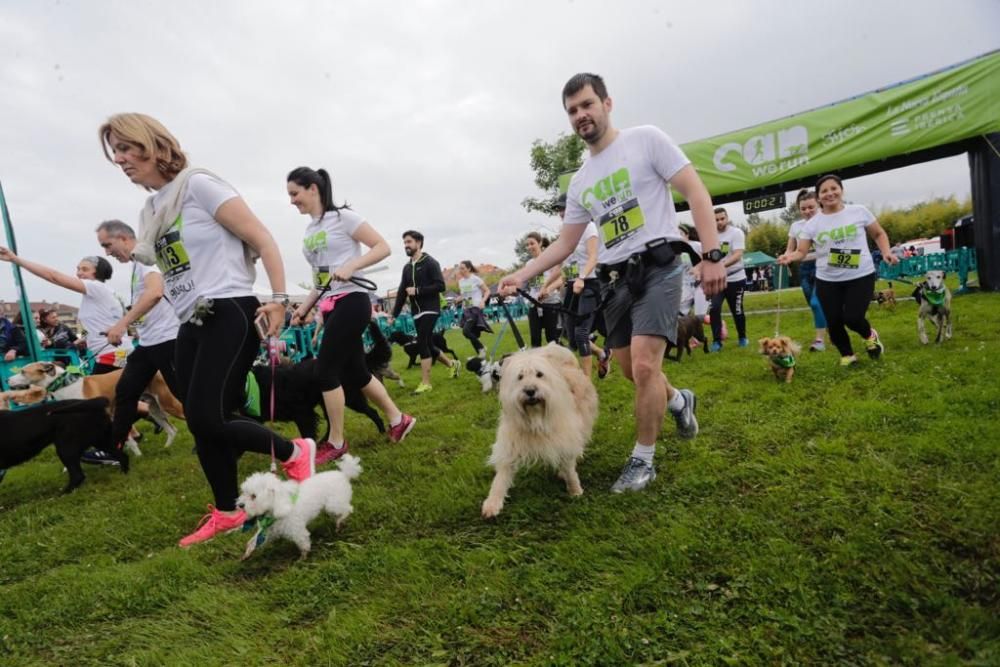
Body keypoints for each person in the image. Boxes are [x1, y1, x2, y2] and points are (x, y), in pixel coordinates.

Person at [500, 73, 725, 493]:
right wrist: (520, 274)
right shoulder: (581, 181)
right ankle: (678, 400)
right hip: (616, 278)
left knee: (644, 365)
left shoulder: (645, 140)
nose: (581, 115)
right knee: (630, 369)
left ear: (607, 103)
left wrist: (711, 255)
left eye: (587, 104)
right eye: (572, 110)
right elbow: (566, 243)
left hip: (659, 266)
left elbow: (695, 191)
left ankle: (643, 461)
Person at [100, 112, 314, 548]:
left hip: (229, 306)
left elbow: (263, 238)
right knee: (203, 422)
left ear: (154, 144)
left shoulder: (199, 184)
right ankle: (228, 511)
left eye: (126, 147)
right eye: (114, 152)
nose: (120, 160)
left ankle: (295, 452)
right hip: (189, 320)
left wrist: (278, 297)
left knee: (204, 416)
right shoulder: (151, 209)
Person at [286, 166, 415, 461]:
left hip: (353, 300)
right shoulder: (310, 230)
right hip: (329, 305)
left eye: (295, 193)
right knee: (356, 373)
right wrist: (305, 308)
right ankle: (399, 419)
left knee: (325, 371)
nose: (292, 200)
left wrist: (353, 266)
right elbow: (321, 279)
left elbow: (382, 247)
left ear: (313, 189)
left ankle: (336, 441)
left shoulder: (343, 218)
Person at [778, 174, 898, 366]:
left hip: (861, 274)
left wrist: (886, 252)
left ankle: (869, 335)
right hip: (828, 278)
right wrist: (789, 257)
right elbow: (801, 251)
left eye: (834, 188)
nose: (830, 193)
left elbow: (878, 233)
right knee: (833, 321)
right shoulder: (812, 225)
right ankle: (848, 356)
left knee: (852, 317)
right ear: (818, 197)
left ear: (841, 190)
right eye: (824, 191)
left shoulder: (859, 211)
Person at [94, 219, 184, 457]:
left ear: (124, 238)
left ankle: (224, 431)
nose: (107, 252)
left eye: (107, 244)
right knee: (125, 392)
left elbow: (155, 293)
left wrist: (122, 324)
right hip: (147, 344)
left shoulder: (146, 260)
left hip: (168, 340)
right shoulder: (135, 266)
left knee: (186, 394)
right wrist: (131, 326)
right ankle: (115, 448)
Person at [0, 250, 130, 373]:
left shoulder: (95, 287)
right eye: (78, 269)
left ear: (99, 272)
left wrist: (15, 259)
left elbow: (53, 276)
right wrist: (87, 339)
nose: (79, 273)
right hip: (116, 352)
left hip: (111, 354)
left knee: (105, 395)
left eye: (85, 269)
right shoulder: (107, 292)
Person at [389, 230, 459, 393]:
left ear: (419, 243)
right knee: (427, 343)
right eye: (405, 243)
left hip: (431, 309)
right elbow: (401, 293)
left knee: (421, 342)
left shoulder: (430, 262)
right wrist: (394, 315)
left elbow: (440, 286)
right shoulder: (406, 268)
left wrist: (418, 291)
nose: (406, 245)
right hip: (416, 311)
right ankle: (452, 364)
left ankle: (426, 383)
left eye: (409, 242)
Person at [553, 195, 610, 379]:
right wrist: (545, 286)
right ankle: (602, 353)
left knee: (581, 332)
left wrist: (582, 277)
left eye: (564, 209)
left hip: (589, 284)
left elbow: (594, 256)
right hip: (572, 285)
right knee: (572, 338)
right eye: (559, 210)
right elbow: (560, 263)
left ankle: (586, 384)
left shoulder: (589, 227)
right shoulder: (565, 231)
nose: (561, 213)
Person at [785, 190, 827, 351]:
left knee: (817, 303)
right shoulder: (796, 226)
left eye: (811, 207)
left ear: (818, 204)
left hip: (823, 267)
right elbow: (790, 248)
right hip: (803, 269)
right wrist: (785, 257)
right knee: (814, 304)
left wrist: (798, 256)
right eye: (803, 209)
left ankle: (819, 341)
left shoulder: (826, 222)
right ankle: (830, 329)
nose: (807, 211)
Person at [707, 208, 748, 351]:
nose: (719, 222)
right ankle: (717, 341)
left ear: (727, 217)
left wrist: (721, 266)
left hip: (736, 278)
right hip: (717, 280)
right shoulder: (709, 236)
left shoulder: (736, 233)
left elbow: (737, 254)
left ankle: (742, 337)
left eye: (722, 218)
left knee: (736, 310)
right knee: (714, 308)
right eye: (716, 219)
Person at [523, 232, 563, 347]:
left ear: (540, 243)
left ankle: (558, 362)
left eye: (532, 243)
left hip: (550, 303)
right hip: (534, 304)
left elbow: (560, 279)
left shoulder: (550, 259)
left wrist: (548, 290)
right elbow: (528, 284)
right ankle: (536, 364)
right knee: (535, 338)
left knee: (551, 338)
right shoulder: (529, 264)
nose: (530, 247)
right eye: (527, 245)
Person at [456, 260, 493, 359]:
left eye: (462, 268)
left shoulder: (476, 279)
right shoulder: (460, 282)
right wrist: (458, 299)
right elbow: (464, 295)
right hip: (466, 309)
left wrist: (483, 301)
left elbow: (487, 291)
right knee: (471, 332)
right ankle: (480, 354)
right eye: (460, 268)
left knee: (466, 331)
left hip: (475, 308)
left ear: (468, 268)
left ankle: (481, 348)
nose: (460, 270)